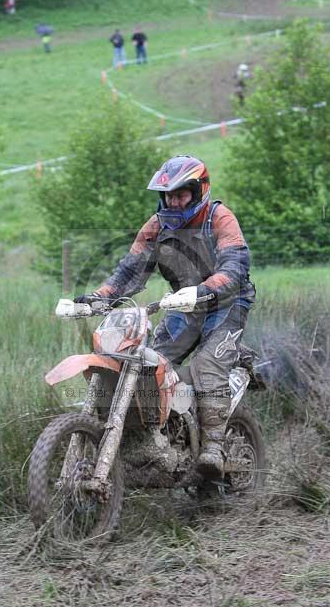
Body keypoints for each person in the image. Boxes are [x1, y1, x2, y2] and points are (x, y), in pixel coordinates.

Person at [74, 155, 256, 479]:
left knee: (205, 366)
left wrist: (203, 290)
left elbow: (235, 267)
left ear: (198, 191)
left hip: (226, 304)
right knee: (150, 363)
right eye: (168, 195)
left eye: (181, 194)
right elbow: (128, 273)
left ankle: (213, 447)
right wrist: (96, 299)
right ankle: (160, 438)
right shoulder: (156, 226)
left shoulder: (220, 218)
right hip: (181, 305)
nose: (173, 201)